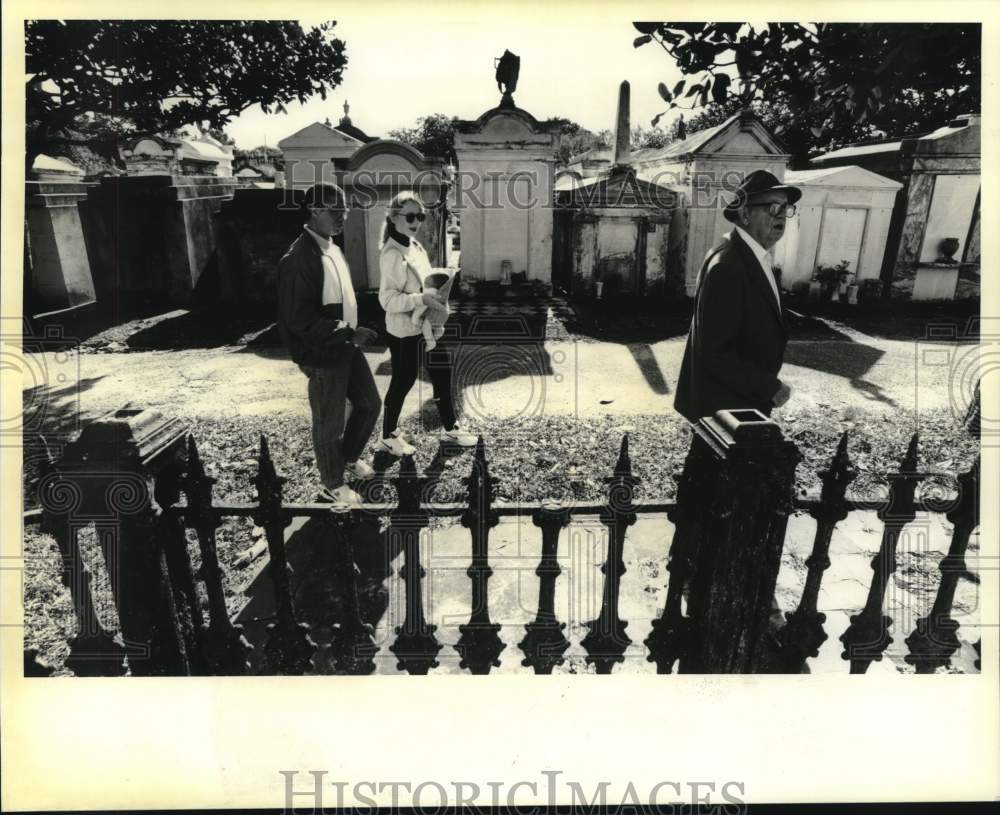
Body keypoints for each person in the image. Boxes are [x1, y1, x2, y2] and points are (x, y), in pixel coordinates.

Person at [277, 183, 381, 504]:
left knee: (369, 404)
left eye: (344, 211)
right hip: (323, 352)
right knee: (328, 422)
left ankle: (347, 459)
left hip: (343, 344)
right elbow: (299, 320)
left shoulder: (331, 248)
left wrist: (350, 334)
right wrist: (348, 333)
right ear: (315, 210)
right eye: (335, 211)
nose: (342, 218)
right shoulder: (298, 259)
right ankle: (332, 483)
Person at [674, 169, 801, 423]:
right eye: (772, 208)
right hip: (724, 411)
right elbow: (714, 353)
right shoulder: (728, 265)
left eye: (785, 208)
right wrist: (769, 388)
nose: (782, 217)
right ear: (744, 213)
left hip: (740, 402)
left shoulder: (755, 257)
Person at [378, 191, 476, 454]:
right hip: (404, 331)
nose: (416, 221)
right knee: (403, 380)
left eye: (420, 216)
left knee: (442, 372)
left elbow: (425, 282)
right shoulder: (392, 254)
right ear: (393, 216)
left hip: (426, 326)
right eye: (410, 216)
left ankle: (450, 429)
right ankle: (387, 436)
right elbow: (387, 300)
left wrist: (438, 291)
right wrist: (422, 298)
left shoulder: (415, 246)